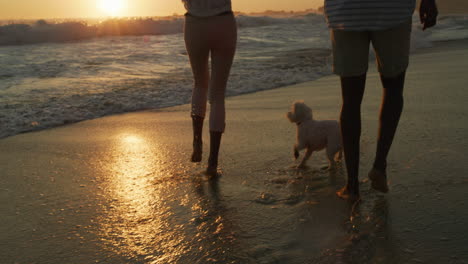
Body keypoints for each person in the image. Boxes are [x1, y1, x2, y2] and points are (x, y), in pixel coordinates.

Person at [323, 0, 438, 200]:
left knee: (350, 100)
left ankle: (352, 186)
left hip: (346, 12)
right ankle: (379, 166)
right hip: (392, 10)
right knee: (393, 89)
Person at [182, 0, 237, 176]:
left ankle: (197, 141)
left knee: (200, 83)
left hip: (194, 24)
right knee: (217, 95)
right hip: (223, 21)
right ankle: (212, 162)